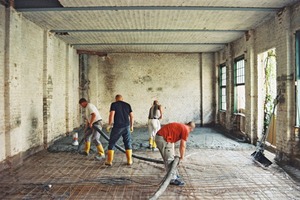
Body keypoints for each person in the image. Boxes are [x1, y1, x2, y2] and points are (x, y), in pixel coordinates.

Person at [155, 121, 196, 186]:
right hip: (162, 139)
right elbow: (183, 145)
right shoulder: (185, 129)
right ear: (191, 129)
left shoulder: (182, 126)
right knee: (169, 159)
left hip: (164, 138)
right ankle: (172, 179)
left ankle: (174, 175)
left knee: (171, 157)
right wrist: (182, 156)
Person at [105, 94, 134, 166]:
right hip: (126, 126)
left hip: (117, 126)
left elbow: (112, 114)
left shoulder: (114, 104)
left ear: (116, 99)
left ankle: (109, 161)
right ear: (122, 99)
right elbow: (132, 116)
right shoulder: (127, 105)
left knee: (112, 142)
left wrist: (109, 124)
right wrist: (131, 126)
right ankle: (129, 160)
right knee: (127, 142)